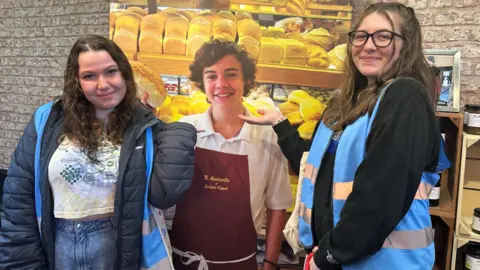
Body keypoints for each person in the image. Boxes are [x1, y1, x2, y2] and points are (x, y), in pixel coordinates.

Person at [241, 2, 449, 270]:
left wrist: (327, 255)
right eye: (361, 36)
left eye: (383, 36)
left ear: (407, 44)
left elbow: (378, 198)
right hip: (340, 258)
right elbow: (314, 168)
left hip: (383, 263)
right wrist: (279, 122)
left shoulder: (404, 98)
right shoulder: (347, 101)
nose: (368, 45)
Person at [0, 35, 197, 270]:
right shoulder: (48, 119)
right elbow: (18, 198)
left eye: (111, 72)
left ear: (124, 73)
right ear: (77, 81)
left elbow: (164, 194)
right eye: (89, 76)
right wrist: (22, 263)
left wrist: (158, 124)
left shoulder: (143, 130)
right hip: (56, 247)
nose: (103, 84)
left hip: (117, 248)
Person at [144, 39, 291, 270]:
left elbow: (277, 205)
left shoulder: (268, 137)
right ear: (201, 83)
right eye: (211, 76)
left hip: (240, 263)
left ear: (247, 80)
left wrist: (270, 263)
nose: (221, 84)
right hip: (183, 261)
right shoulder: (184, 131)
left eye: (231, 74)